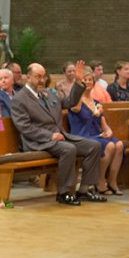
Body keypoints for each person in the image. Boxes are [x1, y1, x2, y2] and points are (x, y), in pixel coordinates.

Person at [12, 64, 104, 206]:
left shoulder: (48, 93)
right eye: (38, 77)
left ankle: (84, 190)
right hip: (38, 141)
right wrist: (50, 136)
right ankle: (64, 193)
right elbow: (24, 127)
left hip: (59, 136)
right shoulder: (20, 99)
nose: (42, 80)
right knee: (68, 149)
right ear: (28, 77)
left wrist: (78, 83)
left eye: (44, 76)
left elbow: (69, 102)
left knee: (94, 146)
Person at [66, 70, 124, 195]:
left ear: (93, 82)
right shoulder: (75, 101)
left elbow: (104, 125)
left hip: (96, 135)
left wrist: (108, 131)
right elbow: (75, 108)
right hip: (81, 136)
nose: (87, 82)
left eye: (90, 80)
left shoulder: (97, 103)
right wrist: (79, 88)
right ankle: (99, 180)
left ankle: (112, 181)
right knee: (109, 145)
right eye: (84, 80)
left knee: (119, 145)